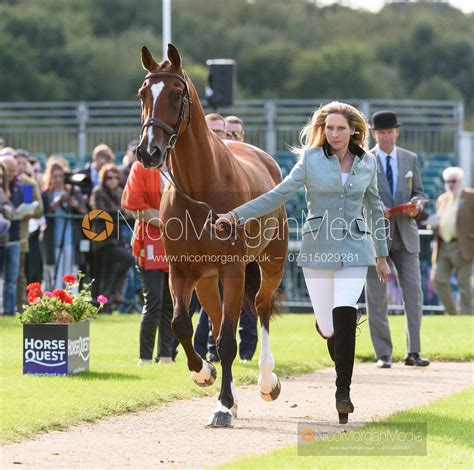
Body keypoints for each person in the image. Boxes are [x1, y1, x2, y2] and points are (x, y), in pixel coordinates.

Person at [215, 101, 391, 424]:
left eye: (341, 128)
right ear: (322, 131)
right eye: (329, 128)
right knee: (328, 326)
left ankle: (343, 393)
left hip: (355, 246)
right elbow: (277, 195)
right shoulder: (310, 160)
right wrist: (235, 216)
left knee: (345, 311)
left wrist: (381, 254)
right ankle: (332, 335)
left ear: (354, 130)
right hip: (318, 248)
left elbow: (375, 206)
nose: (335, 134)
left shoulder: (367, 163)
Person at [365, 110, 430, 368]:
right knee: (376, 296)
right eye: (381, 133)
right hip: (376, 235)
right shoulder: (364, 160)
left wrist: (417, 205)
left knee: (413, 294)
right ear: (373, 133)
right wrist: (373, 206)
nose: (386, 137)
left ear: (397, 132)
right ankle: (384, 354)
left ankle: (414, 351)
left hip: (406, 233)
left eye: (390, 132)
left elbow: (420, 192)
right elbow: (357, 196)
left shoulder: (410, 159)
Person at [122, 159, 176, 365]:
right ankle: (144, 357)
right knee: (153, 301)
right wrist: (169, 224)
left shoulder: (178, 166)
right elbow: (136, 206)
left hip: (176, 244)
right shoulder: (141, 168)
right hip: (149, 242)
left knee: (171, 302)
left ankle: (166, 355)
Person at [90, 163, 134, 304]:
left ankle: (108, 296)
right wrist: (122, 212)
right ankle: (111, 292)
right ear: (104, 178)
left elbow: (128, 210)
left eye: (116, 177)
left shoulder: (120, 192)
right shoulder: (98, 192)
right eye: (109, 177)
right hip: (103, 239)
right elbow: (100, 212)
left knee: (112, 269)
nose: (113, 180)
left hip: (116, 238)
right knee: (127, 259)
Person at [431, 167, 473, 315]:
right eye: (447, 181)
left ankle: (468, 315)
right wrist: (434, 226)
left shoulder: (471, 196)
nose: (450, 184)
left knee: (463, 283)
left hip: (464, 246)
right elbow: (439, 220)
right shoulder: (442, 199)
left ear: (461, 181)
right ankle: (453, 314)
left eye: (453, 181)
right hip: (443, 245)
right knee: (438, 280)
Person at [40, 157, 86, 291]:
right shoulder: (46, 194)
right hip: (52, 237)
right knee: (53, 270)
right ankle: (53, 296)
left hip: (71, 237)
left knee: (71, 270)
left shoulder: (73, 191)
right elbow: (42, 213)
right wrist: (56, 203)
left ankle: (71, 298)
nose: (58, 179)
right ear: (50, 177)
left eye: (61, 176)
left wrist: (75, 204)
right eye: (55, 176)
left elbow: (85, 212)